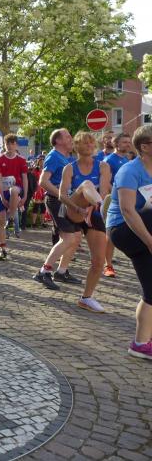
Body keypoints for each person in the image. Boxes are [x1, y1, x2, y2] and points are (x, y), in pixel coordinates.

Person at [105, 124, 152, 360]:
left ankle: (141, 344)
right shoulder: (130, 171)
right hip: (123, 229)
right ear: (144, 147)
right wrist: (150, 241)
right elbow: (127, 210)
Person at [58, 132, 111, 313]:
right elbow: (62, 195)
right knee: (86, 184)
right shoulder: (69, 168)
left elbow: (104, 191)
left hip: (92, 212)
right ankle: (101, 208)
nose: (89, 145)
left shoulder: (103, 166)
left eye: (91, 142)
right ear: (76, 146)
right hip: (73, 209)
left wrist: (91, 208)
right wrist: (80, 209)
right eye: (84, 142)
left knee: (99, 261)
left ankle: (86, 298)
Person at [34, 128, 81, 290]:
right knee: (68, 238)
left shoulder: (66, 157)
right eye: (67, 136)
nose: (71, 138)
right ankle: (43, 272)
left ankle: (61, 271)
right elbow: (43, 181)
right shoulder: (54, 156)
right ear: (58, 141)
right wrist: (62, 196)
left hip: (66, 202)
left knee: (76, 237)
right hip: (56, 201)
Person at [0, 133, 28, 259]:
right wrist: (2, 197)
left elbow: (25, 179)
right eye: (7, 143)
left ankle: (12, 218)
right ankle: (2, 249)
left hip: (16, 189)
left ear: (16, 145)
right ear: (4, 145)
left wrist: (25, 196)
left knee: (13, 190)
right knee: (1, 221)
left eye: (12, 143)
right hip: (2, 191)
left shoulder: (21, 160)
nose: (10, 146)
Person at [103, 133, 132, 277]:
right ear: (116, 144)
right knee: (110, 233)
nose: (128, 144)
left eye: (129, 142)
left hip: (127, 200)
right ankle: (107, 265)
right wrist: (118, 193)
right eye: (125, 142)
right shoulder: (109, 160)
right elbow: (105, 182)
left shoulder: (126, 159)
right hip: (113, 200)